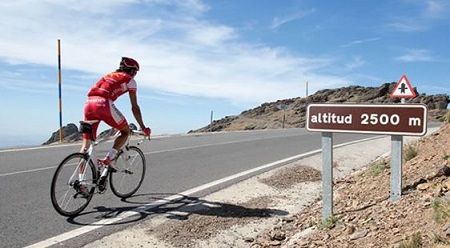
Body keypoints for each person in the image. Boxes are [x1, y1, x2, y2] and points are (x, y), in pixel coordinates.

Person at [80, 57, 151, 172]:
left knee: (86, 146)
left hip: (88, 103)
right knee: (125, 131)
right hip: (103, 103)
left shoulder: (108, 75)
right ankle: (109, 159)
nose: (135, 75)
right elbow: (135, 107)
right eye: (136, 72)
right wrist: (143, 127)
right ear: (132, 71)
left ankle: (80, 180)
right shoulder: (130, 80)